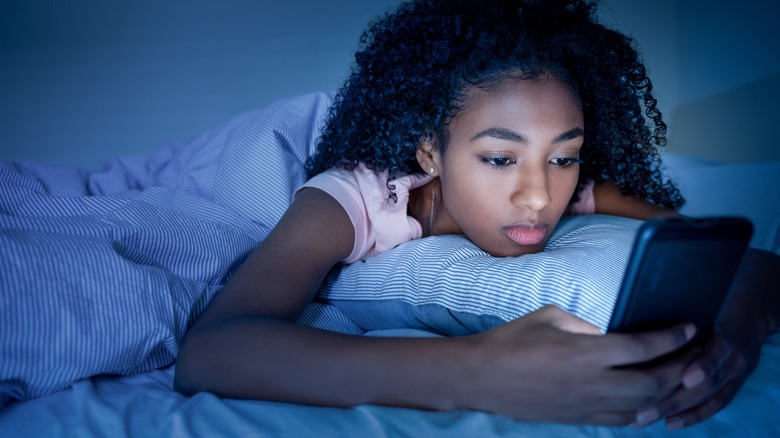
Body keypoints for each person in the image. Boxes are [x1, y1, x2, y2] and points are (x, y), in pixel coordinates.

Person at [174, 0, 780, 430]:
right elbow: (212, 352)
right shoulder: (353, 197)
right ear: (430, 151)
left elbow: (746, 258)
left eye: (563, 155)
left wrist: (738, 333)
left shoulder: (570, 188)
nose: (540, 197)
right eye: (498, 158)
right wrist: (478, 372)